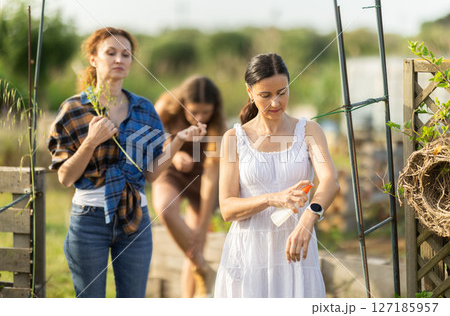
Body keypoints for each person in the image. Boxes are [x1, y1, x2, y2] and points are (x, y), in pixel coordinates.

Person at [47, 27, 206, 298]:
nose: (119, 60)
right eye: (111, 53)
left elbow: (153, 175)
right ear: (94, 58)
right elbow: (65, 177)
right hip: (89, 220)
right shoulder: (74, 109)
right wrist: (91, 141)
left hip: (136, 218)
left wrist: (178, 140)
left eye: (126, 54)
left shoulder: (144, 109)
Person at [214, 53, 340, 298]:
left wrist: (307, 222)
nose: (276, 103)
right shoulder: (233, 139)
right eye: (266, 95)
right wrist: (272, 198)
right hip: (248, 253)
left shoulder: (309, 131)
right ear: (249, 92)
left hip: (296, 250)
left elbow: (329, 181)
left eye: (282, 92)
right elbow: (227, 208)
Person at [152, 75, 226, 297]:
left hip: (202, 178)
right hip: (171, 170)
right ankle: (203, 266)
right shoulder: (166, 106)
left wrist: (203, 226)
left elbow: (212, 173)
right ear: (182, 103)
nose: (200, 118)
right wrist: (173, 154)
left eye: (206, 112)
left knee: (195, 242)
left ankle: (189, 301)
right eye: (194, 112)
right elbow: (151, 136)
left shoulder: (218, 125)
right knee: (165, 208)